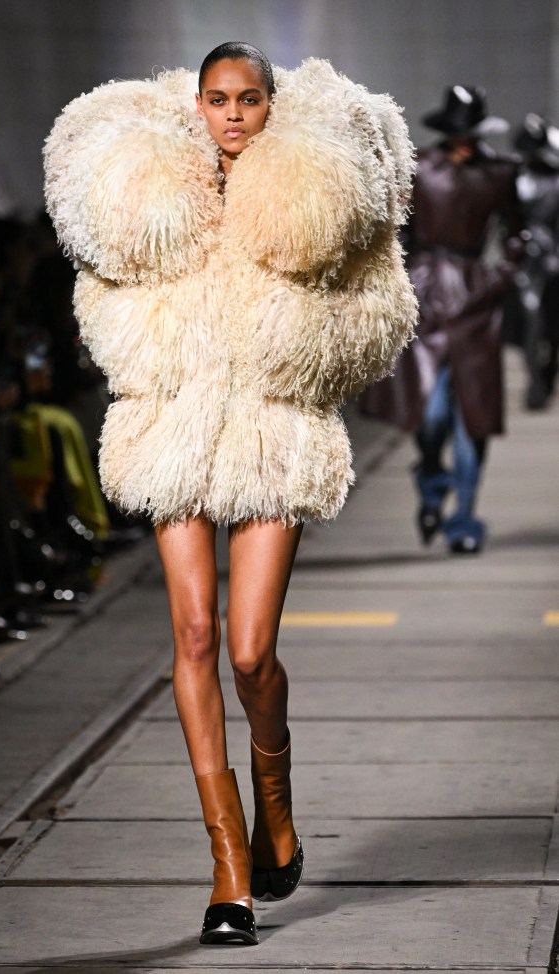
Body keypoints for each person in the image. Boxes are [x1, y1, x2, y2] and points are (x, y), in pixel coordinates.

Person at [44, 41, 417, 946]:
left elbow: (373, 317)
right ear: (197, 106)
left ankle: (276, 808)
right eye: (219, 99)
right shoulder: (150, 202)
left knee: (251, 654)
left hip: (271, 437)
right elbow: (103, 307)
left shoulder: (305, 206)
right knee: (197, 635)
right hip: (174, 434)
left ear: (272, 106)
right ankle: (228, 870)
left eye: (250, 99)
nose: (235, 115)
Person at [362, 85, 521, 554]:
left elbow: (518, 233)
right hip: (425, 297)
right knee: (430, 416)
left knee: (473, 418)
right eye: (458, 132)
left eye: (471, 132)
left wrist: (498, 279)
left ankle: (465, 519)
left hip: (475, 303)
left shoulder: (498, 174)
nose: (465, 140)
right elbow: (396, 232)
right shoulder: (419, 170)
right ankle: (432, 482)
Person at [510, 113, 559, 409]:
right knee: (531, 323)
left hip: (554, 260)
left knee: (554, 329)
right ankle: (536, 384)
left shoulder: (555, 179)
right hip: (526, 262)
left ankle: (548, 372)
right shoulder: (516, 180)